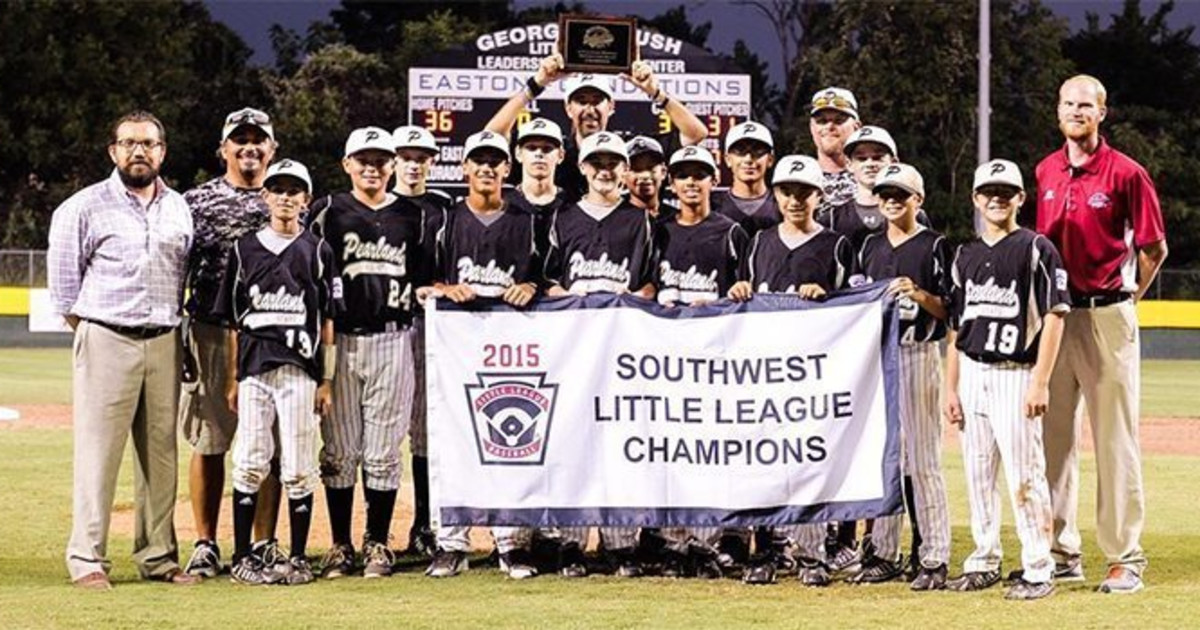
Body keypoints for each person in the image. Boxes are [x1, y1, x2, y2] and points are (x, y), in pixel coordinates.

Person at [49, 110, 197, 589]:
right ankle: (87, 558)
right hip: (107, 336)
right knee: (99, 454)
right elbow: (64, 290)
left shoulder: (179, 207)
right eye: (129, 143)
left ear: (163, 151)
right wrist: (94, 331)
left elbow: (183, 276)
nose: (139, 151)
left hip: (165, 339)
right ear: (113, 150)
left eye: (149, 143)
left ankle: (158, 557)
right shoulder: (83, 207)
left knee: (161, 458)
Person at [1036, 74, 1168, 594]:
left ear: (1102, 113)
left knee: (1115, 440)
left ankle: (1124, 556)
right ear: (1059, 110)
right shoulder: (1045, 170)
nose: (1076, 111)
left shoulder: (1128, 173)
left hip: (1108, 312)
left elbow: (1154, 249)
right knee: (1052, 440)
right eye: (1068, 103)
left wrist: (1129, 301)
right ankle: (1058, 550)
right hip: (1056, 318)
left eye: (1086, 105)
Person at [943, 159, 1069, 601]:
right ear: (976, 199)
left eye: (1006, 191)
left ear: (1020, 197)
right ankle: (984, 559)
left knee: (1025, 475)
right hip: (973, 373)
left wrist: (1041, 381)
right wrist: (950, 387)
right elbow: (956, 327)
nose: (996, 198)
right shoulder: (964, 255)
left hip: (1017, 374)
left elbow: (1055, 317)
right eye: (988, 191)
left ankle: (1039, 567)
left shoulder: (1036, 248)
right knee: (977, 475)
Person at [727, 154, 855, 587]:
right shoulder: (760, 241)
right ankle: (761, 552)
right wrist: (740, 289)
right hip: (762, 370)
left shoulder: (836, 244)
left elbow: (856, 310)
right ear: (776, 195)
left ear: (819, 195)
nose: (795, 199)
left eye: (804, 191)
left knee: (810, 462)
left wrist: (831, 297)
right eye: (787, 191)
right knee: (763, 462)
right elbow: (739, 299)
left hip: (813, 374)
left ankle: (812, 554)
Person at [420, 130, 543, 580]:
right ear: (465, 168)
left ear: (507, 169)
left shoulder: (527, 221)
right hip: (458, 346)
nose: (488, 168)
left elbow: (544, 280)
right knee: (455, 440)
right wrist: (443, 288)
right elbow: (420, 282)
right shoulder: (445, 221)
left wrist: (532, 286)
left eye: (496, 161)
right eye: (479, 160)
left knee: (511, 441)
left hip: (513, 346)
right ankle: (452, 543)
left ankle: (510, 544)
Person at [215, 160, 338, 586]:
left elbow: (327, 321)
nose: (285, 197)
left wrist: (326, 379)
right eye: (278, 189)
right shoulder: (243, 248)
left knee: (299, 466)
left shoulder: (317, 250)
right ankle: (241, 557)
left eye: (294, 190)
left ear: (306, 199)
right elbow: (233, 319)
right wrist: (232, 376)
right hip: (253, 369)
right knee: (249, 460)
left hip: (300, 370)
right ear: (264, 196)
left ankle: (299, 557)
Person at [308, 127, 422, 579]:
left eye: (380, 159)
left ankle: (377, 542)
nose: (372, 167)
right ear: (347, 164)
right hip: (340, 341)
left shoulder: (413, 215)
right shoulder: (327, 211)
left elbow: (426, 274)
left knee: (383, 452)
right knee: (338, 449)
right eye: (363, 159)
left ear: (392, 164)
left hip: (394, 339)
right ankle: (340, 545)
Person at [544, 131, 655, 577]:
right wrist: (567, 297)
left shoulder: (639, 220)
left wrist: (633, 298)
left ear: (625, 170)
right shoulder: (563, 217)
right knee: (575, 442)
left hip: (623, 349)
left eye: (614, 162)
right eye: (597, 162)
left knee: (621, 442)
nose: (606, 170)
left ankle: (621, 543)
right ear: (584, 168)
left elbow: (650, 282)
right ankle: (571, 543)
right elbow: (548, 280)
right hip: (575, 347)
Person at [180, 106, 283, 579]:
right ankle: (206, 542)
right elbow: (177, 268)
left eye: (257, 139)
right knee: (210, 441)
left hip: (272, 335)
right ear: (223, 149)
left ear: (272, 148)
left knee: (269, 446)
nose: (249, 147)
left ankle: (263, 541)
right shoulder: (195, 202)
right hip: (211, 331)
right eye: (239, 139)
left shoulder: (288, 196)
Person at [847, 164, 952, 590]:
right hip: (876, 360)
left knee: (923, 460)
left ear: (918, 200)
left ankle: (934, 554)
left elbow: (951, 311)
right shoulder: (869, 246)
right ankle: (885, 553)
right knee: (884, 460)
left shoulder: (935, 245)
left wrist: (921, 294)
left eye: (901, 194)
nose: (892, 200)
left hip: (917, 354)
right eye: (886, 193)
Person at [486, 53, 707, 199]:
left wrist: (655, 93)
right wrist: (537, 84)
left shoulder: (628, 148)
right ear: (568, 108)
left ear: (611, 107)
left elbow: (695, 133)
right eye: (582, 101)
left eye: (597, 101)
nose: (590, 109)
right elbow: (491, 136)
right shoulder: (552, 151)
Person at [390, 124, 453, 558]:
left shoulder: (445, 207)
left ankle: (424, 524)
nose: (413, 164)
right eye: (406, 156)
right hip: (385, 324)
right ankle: (376, 530)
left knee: (426, 430)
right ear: (395, 160)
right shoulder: (373, 205)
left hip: (434, 325)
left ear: (432, 161)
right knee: (380, 431)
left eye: (421, 156)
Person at [712, 121, 780, 238]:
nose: (748, 159)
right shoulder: (712, 205)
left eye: (757, 152)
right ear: (728, 159)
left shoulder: (783, 204)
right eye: (740, 151)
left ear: (770, 160)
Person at [809, 87, 862, 219]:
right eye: (822, 121)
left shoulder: (872, 177)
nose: (829, 126)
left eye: (839, 120)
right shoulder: (800, 178)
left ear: (857, 127)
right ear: (811, 128)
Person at [625, 135, 673, 224]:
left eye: (650, 168)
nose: (645, 176)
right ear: (623, 175)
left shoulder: (676, 219)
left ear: (663, 172)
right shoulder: (613, 220)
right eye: (637, 169)